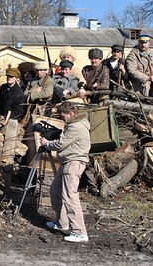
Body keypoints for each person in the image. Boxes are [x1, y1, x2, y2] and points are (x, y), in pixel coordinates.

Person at [40, 101, 90, 243]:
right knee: (55, 191)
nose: (62, 119)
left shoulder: (76, 126)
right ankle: (62, 223)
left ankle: (80, 232)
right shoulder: (72, 124)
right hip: (67, 162)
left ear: (71, 114)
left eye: (63, 116)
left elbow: (61, 143)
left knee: (70, 196)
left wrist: (46, 144)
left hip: (74, 163)